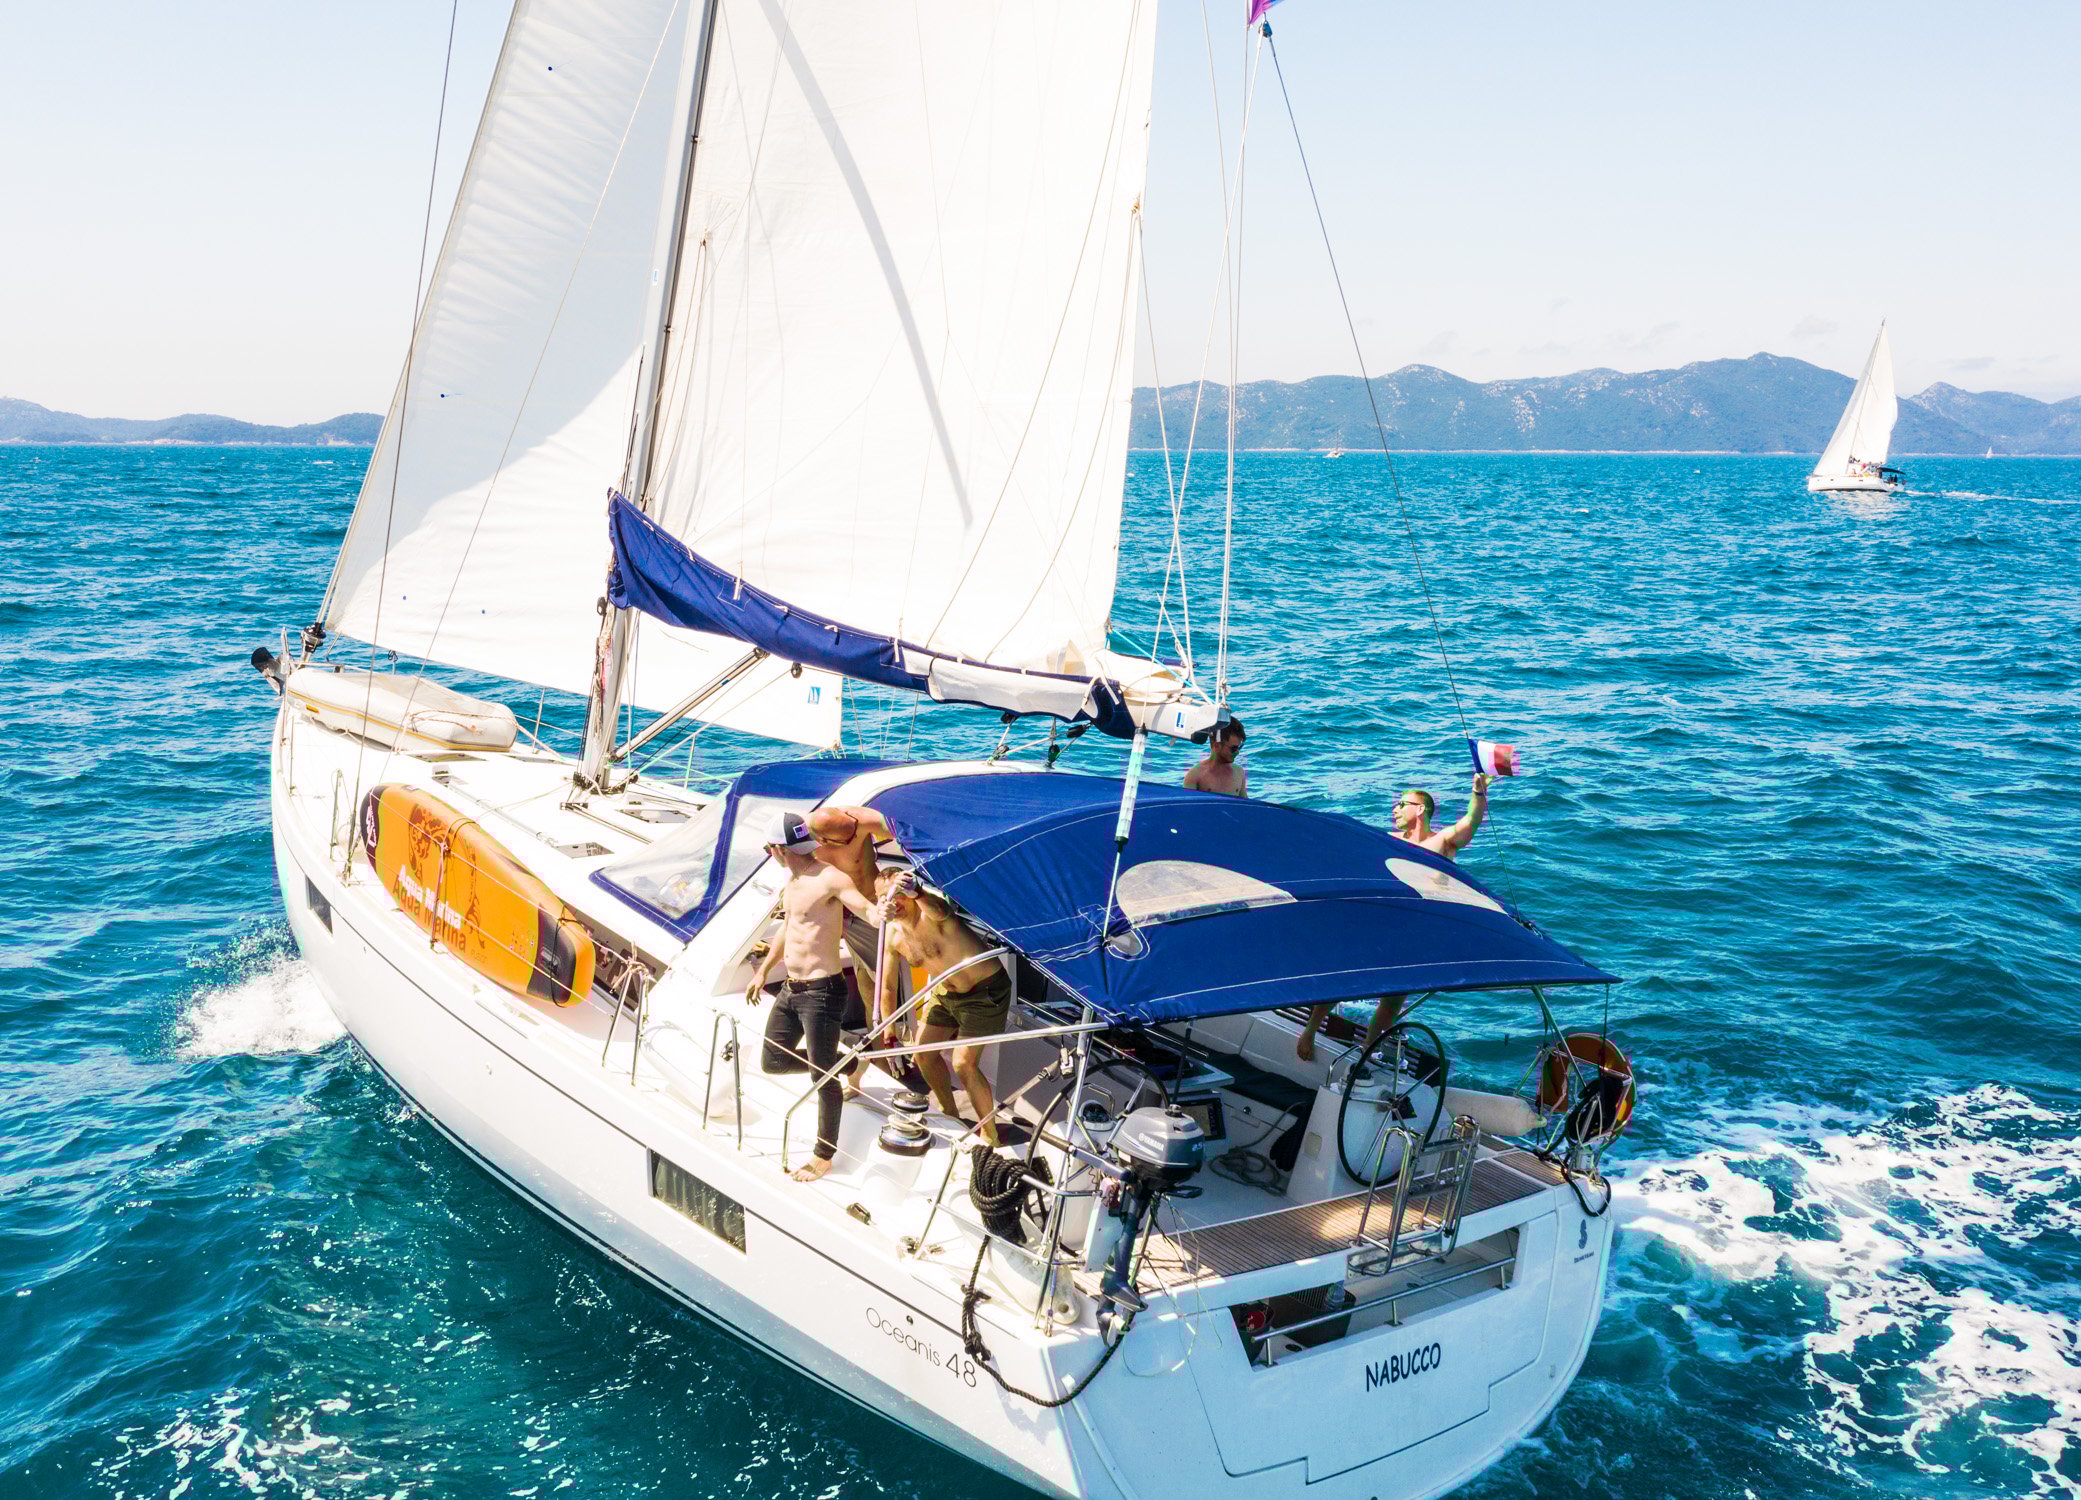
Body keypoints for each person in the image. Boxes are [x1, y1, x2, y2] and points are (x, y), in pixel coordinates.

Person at [1296, 772, 1490, 1063]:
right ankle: (1309, 1030)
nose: (1395, 808)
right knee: (1344, 977)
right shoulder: (1386, 841)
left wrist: (1478, 793)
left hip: (1416, 933)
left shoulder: (1442, 843)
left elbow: (1470, 822)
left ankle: (1367, 1053)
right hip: (1380, 924)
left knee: (1392, 1000)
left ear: (1420, 809)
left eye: (1402, 803)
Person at [745, 809, 883, 1182]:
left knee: (822, 1079)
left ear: (777, 849)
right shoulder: (792, 883)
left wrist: (881, 909)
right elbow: (788, 929)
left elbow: (866, 911)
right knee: (773, 1062)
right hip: (792, 988)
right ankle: (850, 1063)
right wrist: (762, 971)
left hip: (823, 991)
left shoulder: (829, 879)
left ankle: (824, 1155)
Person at [876, 871, 1012, 1147]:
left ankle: (990, 1135)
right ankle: (949, 1113)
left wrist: (919, 892)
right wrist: (889, 1028)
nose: (895, 902)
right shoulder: (891, 934)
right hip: (945, 991)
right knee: (922, 1054)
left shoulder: (931, 911)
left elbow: (942, 910)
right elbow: (888, 987)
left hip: (984, 991)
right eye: (886, 897)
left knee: (964, 1063)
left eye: (899, 894)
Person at [1184, 716, 1248, 797]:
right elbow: (1188, 807)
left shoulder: (1239, 772)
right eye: (1233, 748)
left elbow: (1245, 805)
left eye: (1239, 747)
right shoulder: (1195, 775)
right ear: (1217, 746)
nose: (1237, 752)